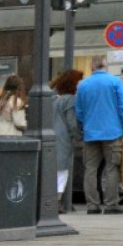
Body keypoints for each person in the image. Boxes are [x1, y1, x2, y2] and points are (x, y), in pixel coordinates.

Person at [75, 56, 123, 214]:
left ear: (92, 67)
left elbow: (79, 111)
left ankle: (92, 205)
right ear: (106, 66)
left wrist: (85, 125)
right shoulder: (115, 82)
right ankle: (111, 204)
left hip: (90, 133)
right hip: (113, 132)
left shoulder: (83, 85)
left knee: (90, 169)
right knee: (112, 167)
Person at [51, 68, 85, 214]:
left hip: (50, 136)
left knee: (50, 169)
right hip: (63, 138)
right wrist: (79, 136)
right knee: (62, 171)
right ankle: (57, 201)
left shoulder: (52, 98)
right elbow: (72, 123)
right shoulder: (70, 100)